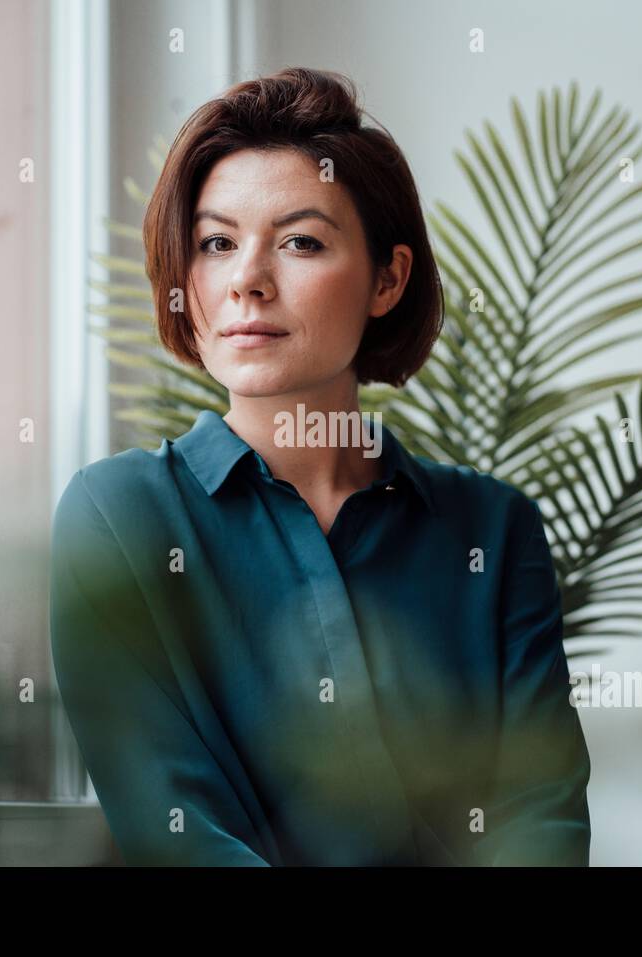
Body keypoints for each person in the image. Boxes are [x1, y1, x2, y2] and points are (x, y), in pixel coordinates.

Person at [49, 67, 590, 866]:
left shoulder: (494, 529)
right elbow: (177, 830)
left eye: (300, 241)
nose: (247, 281)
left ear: (387, 278)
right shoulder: (117, 516)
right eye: (216, 242)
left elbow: (539, 824)